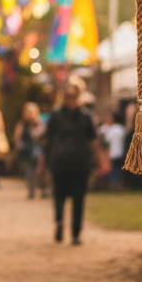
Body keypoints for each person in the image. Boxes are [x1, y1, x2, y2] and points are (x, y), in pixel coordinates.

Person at [45, 82, 97, 244]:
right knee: (61, 196)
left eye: (73, 96)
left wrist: (97, 160)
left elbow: (92, 141)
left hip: (78, 163)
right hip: (63, 162)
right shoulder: (60, 116)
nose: (70, 99)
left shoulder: (84, 117)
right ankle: (61, 223)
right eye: (68, 96)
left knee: (76, 198)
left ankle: (74, 232)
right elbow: (48, 140)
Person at [14, 102, 46, 199]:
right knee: (28, 172)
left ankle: (42, 190)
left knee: (39, 171)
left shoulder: (40, 123)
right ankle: (31, 190)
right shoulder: (22, 124)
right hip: (26, 151)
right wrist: (18, 145)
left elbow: (44, 137)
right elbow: (17, 136)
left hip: (37, 150)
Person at [99, 112, 127, 191]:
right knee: (118, 169)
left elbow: (106, 139)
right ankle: (119, 185)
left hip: (112, 153)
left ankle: (113, 186)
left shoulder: (111, 129)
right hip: (120, 152)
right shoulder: (121, 128)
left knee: (113, 170)